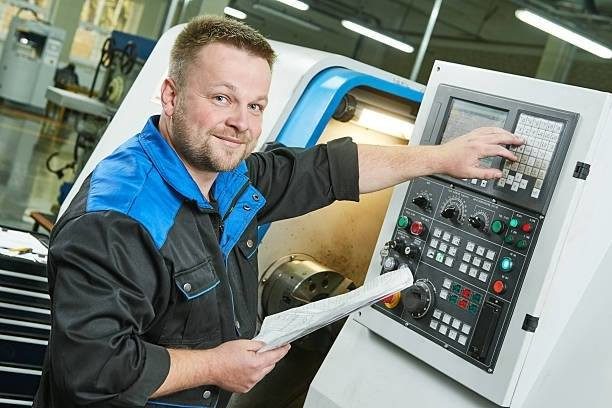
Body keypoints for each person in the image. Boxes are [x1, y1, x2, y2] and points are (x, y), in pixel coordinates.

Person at [33, 15, 523, 408]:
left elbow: (329, 170)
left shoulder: (228, 177)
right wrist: (214, 367)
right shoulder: (119, 219)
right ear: (171, 95)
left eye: (255, 106)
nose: (239, 123)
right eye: (222, 98)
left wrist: (440, 159)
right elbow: (92, 370)